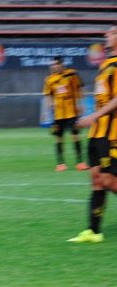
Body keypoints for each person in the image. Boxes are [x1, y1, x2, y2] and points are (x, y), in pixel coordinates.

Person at [68, 24, 117, 243]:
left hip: (111, 132)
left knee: (109, 181)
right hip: (96, 133)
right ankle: (93, 231)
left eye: (112, 32)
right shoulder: (105, 65)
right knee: (96, 180)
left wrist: (94, 116)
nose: (106, 35)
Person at [42, 56, 87, 171]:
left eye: (55, 64)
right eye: (52, 64)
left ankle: (80, 162)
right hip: (58, 114)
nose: (53, 66)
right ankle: (60, 163)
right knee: (59, 138)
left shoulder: (72, 74)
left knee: (75, 136)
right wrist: (47, 111)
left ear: (61, 64)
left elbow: (79, 88)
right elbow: (48, 96)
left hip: (72, 112)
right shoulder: (49, 79)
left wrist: (81, 103)